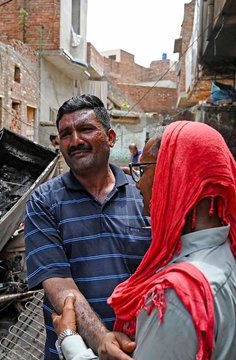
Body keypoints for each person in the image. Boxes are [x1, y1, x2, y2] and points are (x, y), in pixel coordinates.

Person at [52, 121, 236, 359]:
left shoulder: (176, 296)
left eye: (144, 170)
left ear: (175, 174)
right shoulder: (222, 252)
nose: (138, 184)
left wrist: (69, 340)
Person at [24, 94, 151, 360]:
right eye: (66, 134)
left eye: (86, 129)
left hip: (139, 349)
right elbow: (59, 286)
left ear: (111, 138)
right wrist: (102, 339)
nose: (75, 141)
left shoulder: (144, 196)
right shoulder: (44, 201)